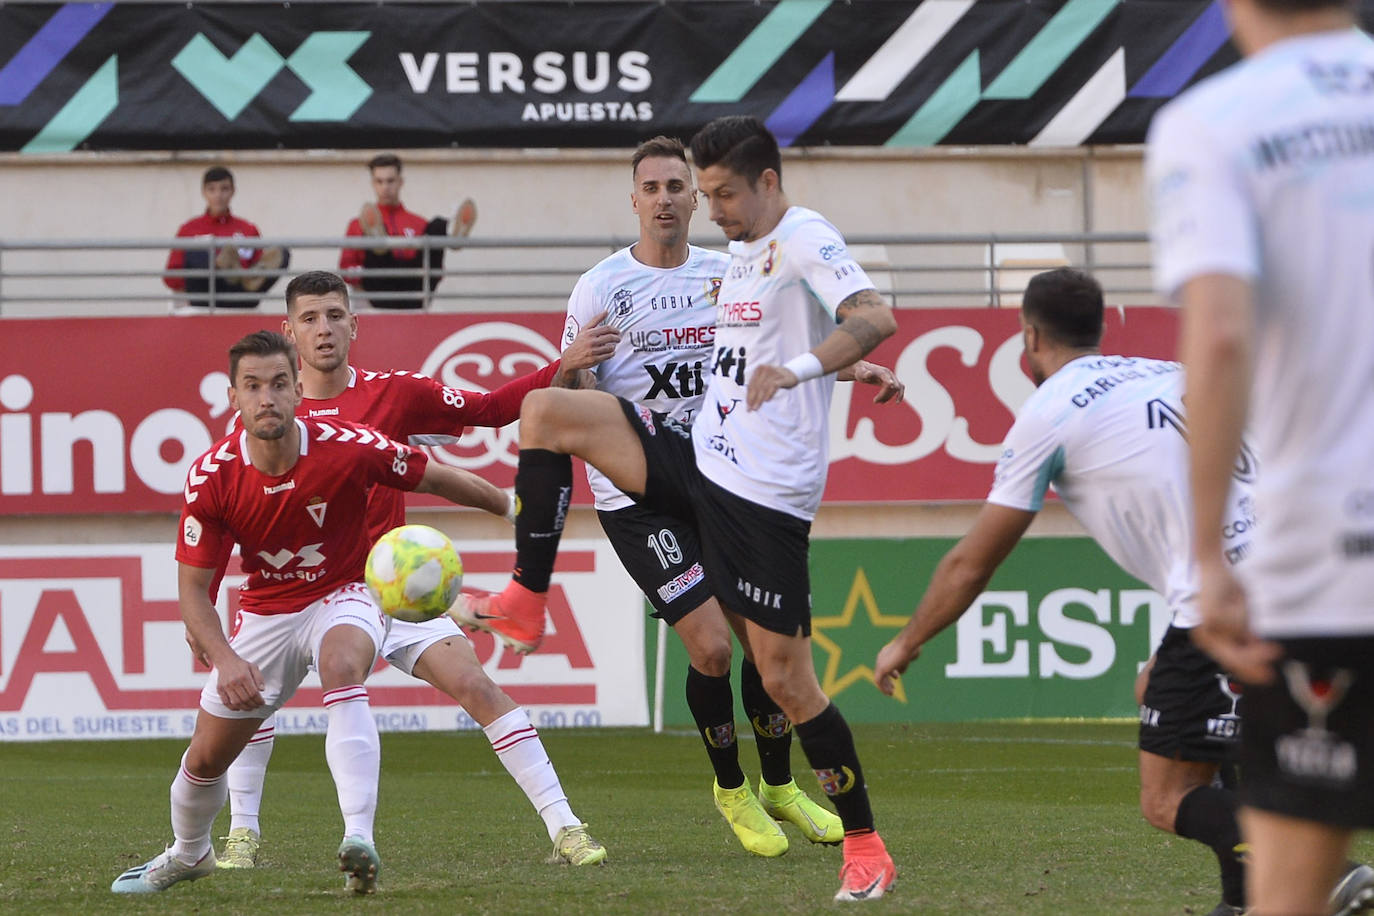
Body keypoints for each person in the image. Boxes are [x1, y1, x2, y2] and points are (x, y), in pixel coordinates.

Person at [453, 116, 900, 902]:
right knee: (545, 410)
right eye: (667, 188)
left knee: (784, 677)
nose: (695, 203)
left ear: (757, 185)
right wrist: (570, 365)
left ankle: (855, 835)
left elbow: (864, 315)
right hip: (670, 472)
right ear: (634, 199)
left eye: (707, 191)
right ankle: (526, 596)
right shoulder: (682, 268)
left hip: (754, 493)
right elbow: (745, 351)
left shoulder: (795, 238)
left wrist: (823, 369)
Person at [871, 267, 1374, 916]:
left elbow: (972, 561)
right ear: (1100, 328)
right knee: (1160, 694)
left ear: (1028, 335)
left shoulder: (1046, 413)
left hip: (1228, 596)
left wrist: (908, 641)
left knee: (1165, 798)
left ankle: (1324, 872)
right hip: (1307, 573)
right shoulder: (1166, 373)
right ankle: (1247, 898)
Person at [206, 269, 608, 870]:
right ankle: (242, 833)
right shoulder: (263, 420)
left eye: (335, 316)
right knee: (252, 700)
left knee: (475, 684)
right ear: (289, 332)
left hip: (393, 590)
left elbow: (492, 407)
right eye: (310, 318)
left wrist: (563, 364)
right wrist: (208, 604)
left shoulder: (394, 393)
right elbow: (224, 518)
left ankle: (566, 826)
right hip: (299, 594)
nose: (324, 329)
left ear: (354, 324)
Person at [111, 329, 514, 895]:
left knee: (343, 665)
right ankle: (189, 853)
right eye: (252, 386)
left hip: (345, 592)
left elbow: (437, 477)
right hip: (268, 613)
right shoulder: (211, 475)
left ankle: (359, 839)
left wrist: (513, 507)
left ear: (299, 389)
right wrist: (226, 660)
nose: (266, 397)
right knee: (204, 760)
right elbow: (194, 591)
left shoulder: (348, 443)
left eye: (278, 384)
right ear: (233, 398)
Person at [1148, 0, 1374, 912]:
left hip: (1330, 553)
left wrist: (1209, 552)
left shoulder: (1213, 122)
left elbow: (1222, 339)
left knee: (1289, 882)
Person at [339, 153, 477, 310]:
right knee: (377, 252)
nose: (385, 187)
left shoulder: (419, 223)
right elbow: (346, 268)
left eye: (390, 181)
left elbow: (435, 269)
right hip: (378, 291)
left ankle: (452, 233)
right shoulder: (359, 224)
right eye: (379, 181)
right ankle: (378, 241)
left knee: (436, 226)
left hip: (414, 290)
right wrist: (364, 273)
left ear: (400, 182)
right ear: (373, 184)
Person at [164, 166, 288, 309]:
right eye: (212, 189)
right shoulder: (189, 229)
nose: (218, 195)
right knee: (197, 251)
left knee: (281, 253)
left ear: (233, 191)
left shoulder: (248, 229)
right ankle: (224, 270)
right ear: (203, 192)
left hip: (243, 297)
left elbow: (262, 264)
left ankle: (236, 275)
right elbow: (171, 277)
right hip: (205, 297)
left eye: (224, 189)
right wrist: (210, 269)